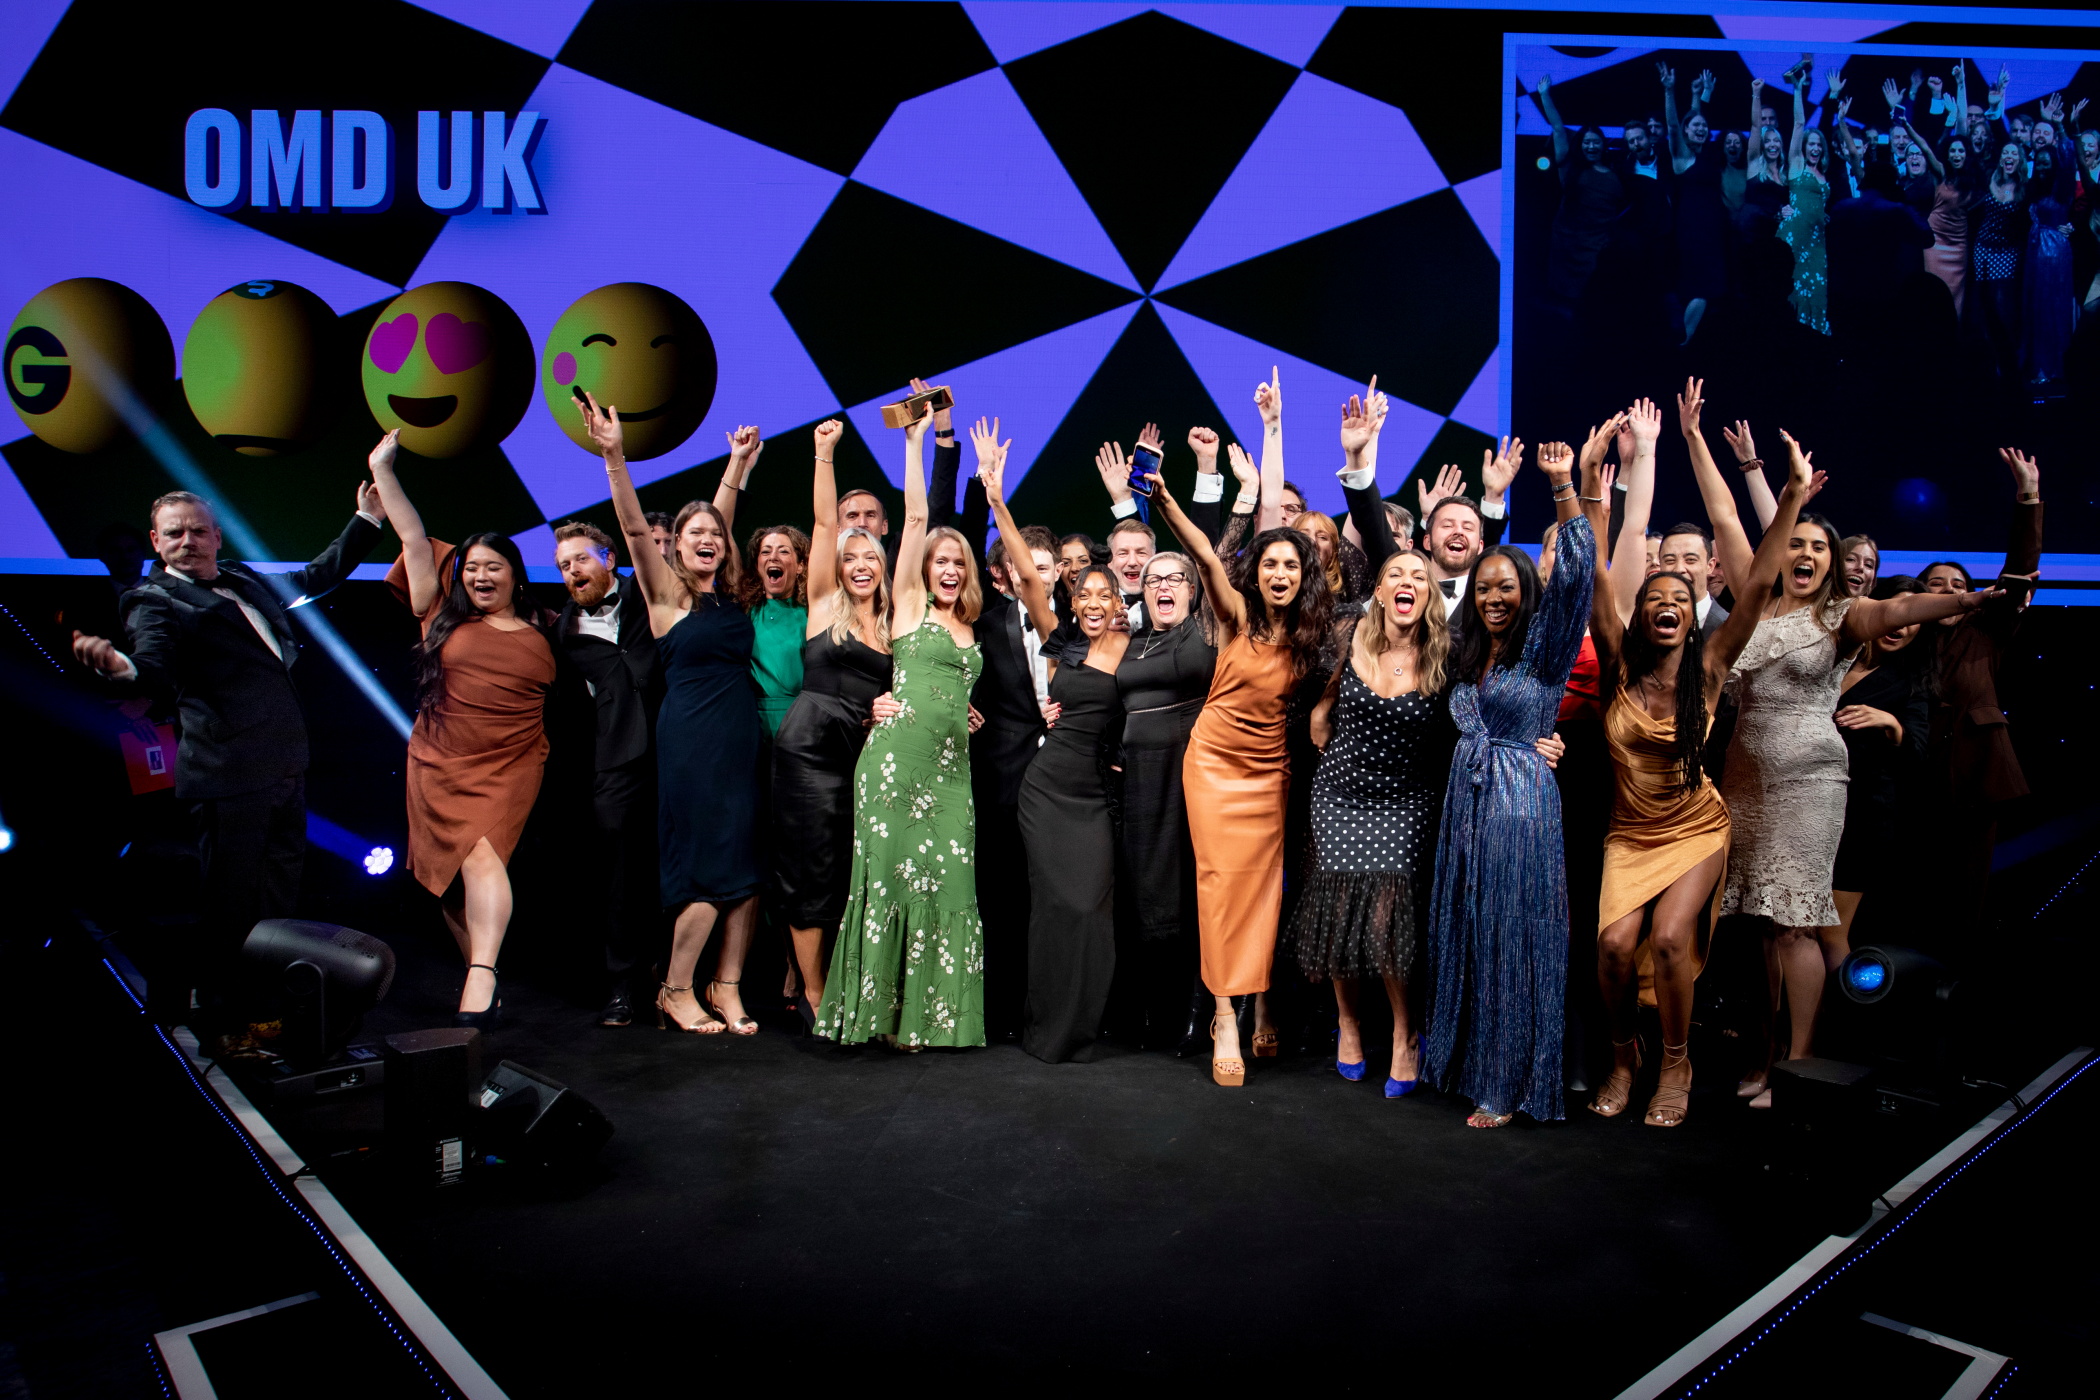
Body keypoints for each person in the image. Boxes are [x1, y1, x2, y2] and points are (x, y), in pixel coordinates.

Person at [1679, 380, 2000, 1106]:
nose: (1805, 553)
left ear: (1831, 562)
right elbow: (1725, 515)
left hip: (1811, 783)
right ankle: (1762, 1057)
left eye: (1819, 547)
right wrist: (1694, 438)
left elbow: (1901, 605)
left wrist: (1965, 599)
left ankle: (1800, 1066)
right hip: (1745, 780)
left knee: (1797, 926)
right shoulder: (1753, 602)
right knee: (1756, 927)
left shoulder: (1842, 616)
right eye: (1795, 542)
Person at [71, 486, 384, 1027]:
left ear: (217, 537)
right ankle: (225, 1014)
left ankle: (268, 1009)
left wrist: (367, 518)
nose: (187, 541)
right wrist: (124, 669)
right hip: (228, 774)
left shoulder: (240, 578)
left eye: (198, 530)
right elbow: (154, 665)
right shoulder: (154, 600)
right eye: (174, 533)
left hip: (284, 762)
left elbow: (313, 577)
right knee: (231, 904)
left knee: (278, 897)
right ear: (156, 542)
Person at [1584, 426, 1811, 1128]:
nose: (1666, 602)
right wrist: (1586, 489)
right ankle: (1625, 1057)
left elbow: (1760, 583)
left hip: (1693, 827)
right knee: (1613, 948)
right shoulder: (1618, 664)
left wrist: (1792, 495)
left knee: (1669, 941)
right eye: (1655, 595)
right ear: (1643, 612)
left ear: (1691, 614)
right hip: (1630, 831)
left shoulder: (1710, 669)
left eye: (1679, 597)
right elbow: (1596, 575)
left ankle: (1676, 1062)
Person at [1148, 367, 1329, 1086]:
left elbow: (1274, 519)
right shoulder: (1235, 614)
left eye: (1291, 565)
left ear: (1304, 576)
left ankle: (1260, 1004)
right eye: (1270, 563)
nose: (1279, 571)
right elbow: (1205, 550)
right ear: (1257, 572)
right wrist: (1165, 500)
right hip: (1215, 766)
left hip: (1269, 771)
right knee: (1220, 884)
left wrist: (1275, 428)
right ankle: (1226, 1013)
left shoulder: (1309, 636)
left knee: (1264, 890)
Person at [1421, 438, 1595, 1129]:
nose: (1494, 597)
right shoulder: (1467, 651)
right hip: (1466, 806)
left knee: (1510, 941)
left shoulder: (1545, 649)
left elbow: (1576, 574)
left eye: (1506, 586)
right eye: (1484, 587)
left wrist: (1561, 485)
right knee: (1468, 933)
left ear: (1528, 591)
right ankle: (1469, 1066)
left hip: (1520, 807)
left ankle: (1506, 1083)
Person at [579, 394, 765, 1036]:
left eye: (714, 534)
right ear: (675, 550)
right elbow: (635, 531)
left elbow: (720, 518)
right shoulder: (666, 596)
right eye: (694, 535)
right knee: (706, 869)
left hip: (740, 741)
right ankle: (675, 988)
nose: (707, 539)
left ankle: (724, 986)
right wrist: (614, 456)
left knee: (745, 870)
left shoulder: (728, 596)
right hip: (692, 743)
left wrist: (736, 465)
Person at [365, 431, 556, 1028]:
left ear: (515, 574)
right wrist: (383, 470)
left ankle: (481, 973)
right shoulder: (438, 612)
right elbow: (412, 537)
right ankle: (482, 970)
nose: (480, 575)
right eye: (471, 567)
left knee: (481, 854)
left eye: (492, 567)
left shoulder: (548, 625)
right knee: (449, 882)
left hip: (511, 760)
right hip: (438, 760)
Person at [817, 404, 986, 1048]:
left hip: (952, 775)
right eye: (939, 561)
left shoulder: (970, 624)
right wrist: (915, 443)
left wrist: (962, 709)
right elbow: (916, 517)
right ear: (922, 568)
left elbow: (954, 687)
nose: (948, 570)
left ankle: (931, 1020)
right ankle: (881, 1021)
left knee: (950, 885)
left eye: (957, 562)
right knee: (889, 884)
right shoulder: (909, 603)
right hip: (895, 765)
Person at [981, 422, 1127, 1063]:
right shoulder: (1062, 641)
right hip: (1045, 791)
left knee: (1090, 908)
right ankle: (1045, 1028)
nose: (1092, 601)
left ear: (1120, 602)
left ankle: (1083, 1023)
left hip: (1093, 796)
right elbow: (1027, 575)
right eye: (1083, 592)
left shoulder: (1135, 651)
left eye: (1104, 593)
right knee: (1052, 908)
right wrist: (996, 500)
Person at [771, 420, 893, 1025]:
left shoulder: (895, 626)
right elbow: (824, 525)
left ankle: (835, 985)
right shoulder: (823, 604)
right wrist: (824, 455)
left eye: (870, 556)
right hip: (809, 752)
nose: (859, 565)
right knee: (811, 872)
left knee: (849, 874)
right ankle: (816, 997)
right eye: (850, 558)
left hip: (862, 757)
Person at [1917, 448, 2043, 958]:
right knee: (1917, 886)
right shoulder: (1903, 637)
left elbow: (2020, 571)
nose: (1949, 592)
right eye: (1936, 585)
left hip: (1977, 773)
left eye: (1958, 586)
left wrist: (2028, 497)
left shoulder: (1986, 629)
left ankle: (1957, 974)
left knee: (1968, 889)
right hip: (1920, 778)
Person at [552, 519, 667, 1028]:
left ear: (609, 560)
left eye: (580, 559)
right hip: (614, 763)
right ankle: (622, 987)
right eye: (563, 566)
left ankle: (677, 979)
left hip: (674, 748)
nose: (572, 571)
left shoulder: (649, 594)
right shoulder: (562, 633)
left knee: (676, 866)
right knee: (620, 878)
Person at [1114, 548, 1218, 1051]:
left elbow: (1213, 557)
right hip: (1137, 779)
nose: (1163, 586)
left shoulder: (1206, 634)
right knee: (1143, 888)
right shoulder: (1130, 642)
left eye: (1175, 578)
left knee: (1187, 889)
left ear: (1192, 590)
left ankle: (1194, 1012)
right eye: (1153, 579)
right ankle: (1149, 1010)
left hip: (1186, 774)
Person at [969, 516, 1058, 1041]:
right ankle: (1002, 1010)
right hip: (1003, 780)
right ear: (1004, 576)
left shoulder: (1081, 622)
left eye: (1042, 568)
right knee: (1002, 899)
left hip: (1066, 783)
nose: (1033, 577)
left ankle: (1050, 1009)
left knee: (1054, 900)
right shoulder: (984, 627)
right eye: (1023, 568)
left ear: (1056, 573)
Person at [1827, 575, 1933, 975]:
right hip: (1804, 806)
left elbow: (1917, 752)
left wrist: (1892, 724)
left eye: (1914, 617)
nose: (1902, 624)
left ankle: (1841, 1011)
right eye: (1897, 610)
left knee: (1829, 931)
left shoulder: (1909, 683)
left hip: (1862, 818)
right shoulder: (1831, 658)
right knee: (1786, 927)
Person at [1532, 75, 1625, 317]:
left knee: (1590, 299)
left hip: (1596, 246)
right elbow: (1558, 128)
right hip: (1566, 242)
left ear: (1603, 145)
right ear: (1580, 145)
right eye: (1587, 142)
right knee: (1561, 301)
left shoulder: (1614, 175)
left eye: (1596, 142)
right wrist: (1544, 95)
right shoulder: (1570, 166)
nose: (1591, 147)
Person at [739, 522, 809, 739]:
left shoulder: (812, 615)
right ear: (757, 564)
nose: (773, 557)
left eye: (783, 551)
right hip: (751, 723)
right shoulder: (744, 613)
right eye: (766, 552)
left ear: (800, 566)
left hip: (800, 723)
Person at [1779, 62, 1833, 333]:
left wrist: (1822, 213)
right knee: (1795, 289)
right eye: (1811, 144)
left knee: (1818, 290)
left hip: (1817, 242)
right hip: (1796, 237)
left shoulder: (1822, 173)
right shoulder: (1797, 165)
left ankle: (1816, 340)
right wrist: (1798, 89)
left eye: (1818, 144)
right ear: (1803, 147)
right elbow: (1799, 123)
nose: (1815, 148)